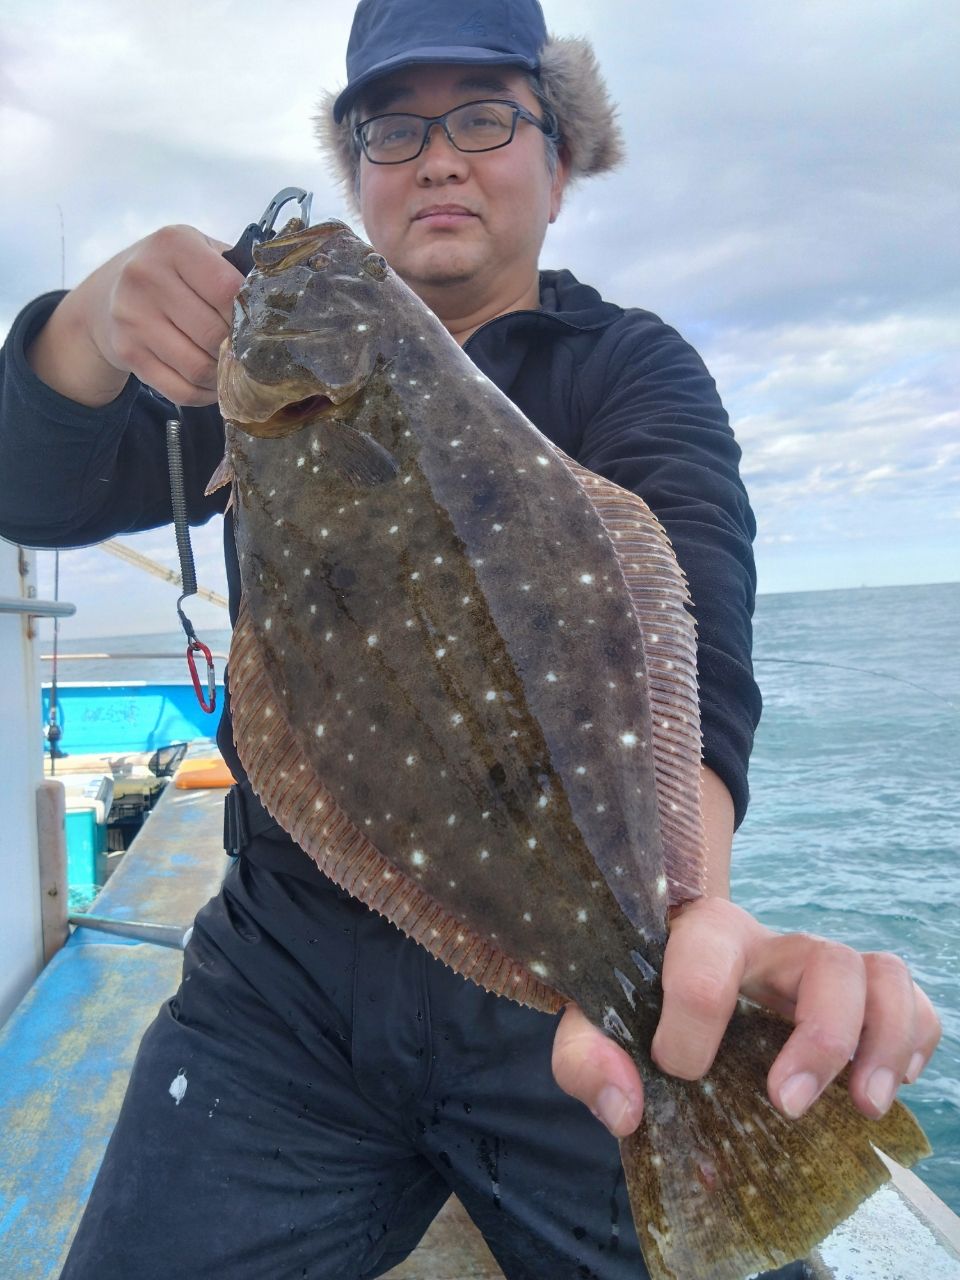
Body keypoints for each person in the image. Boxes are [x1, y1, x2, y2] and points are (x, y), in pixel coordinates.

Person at [0, 1, 940, 1276]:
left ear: (560, 161)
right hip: (284, 987)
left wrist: (689, 914)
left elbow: (697, 632)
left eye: (485, 116)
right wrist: (92, 320)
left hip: (549, 1017)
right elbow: (30, 488)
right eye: (394, 127)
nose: (438, 156)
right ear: (358, 172)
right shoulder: (251, 391)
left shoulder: (627, 371)